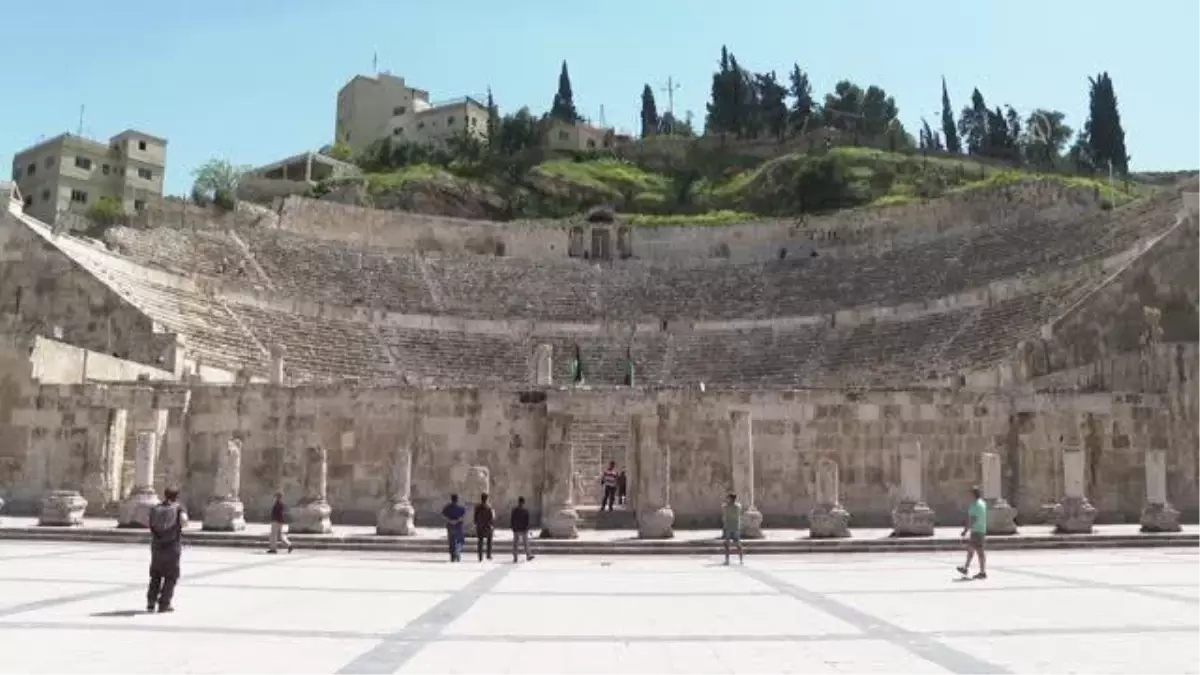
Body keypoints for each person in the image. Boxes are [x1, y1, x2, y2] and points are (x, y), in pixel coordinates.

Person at [147, 488, 188, 613]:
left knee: (155, 575)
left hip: (157, 546)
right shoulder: (179, 508)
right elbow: (184, 522)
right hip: (172, 546)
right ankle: (164, 603)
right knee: (171, 576)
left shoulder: (155, 508)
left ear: (165, 495)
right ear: (177, 496)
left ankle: (151, 602)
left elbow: (149, 523)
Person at [957, 486, 988, 580]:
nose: (968, 496)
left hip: (976, 531)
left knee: (980, 552)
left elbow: (973, 519)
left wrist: (965, 530)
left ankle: (982, 572)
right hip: (981, 529)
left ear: (973, 495)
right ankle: (965, 568)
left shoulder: (974, 505)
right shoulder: (983, 503)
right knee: (971, 550)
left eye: (969, 494)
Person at [442, 494, 467, 562]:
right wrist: (457, 521)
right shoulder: (461, 508)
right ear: (457, 500)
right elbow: (463, 517)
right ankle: (457, 554)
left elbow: (443, 516)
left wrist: (450, 521)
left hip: (450, 525)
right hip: (458, 526)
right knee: (458, 541)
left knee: (451, 541)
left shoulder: (447, 508)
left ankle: (453, 555)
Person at [722, 493, 745, 565]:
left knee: (736, 544)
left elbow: (725, 517)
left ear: (731, 499)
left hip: (733, 528)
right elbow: (725, 517)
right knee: (728, 545)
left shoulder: (729, 507)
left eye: (728, 498)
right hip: (732, 527)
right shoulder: (737, 506)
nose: (727, 499)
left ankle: (738, 560)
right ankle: (729, 560)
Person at [510, 496, 534, 563]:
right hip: (523, 529)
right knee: (525, 543)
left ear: (518, 502)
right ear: (523, 502)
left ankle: (515, 557)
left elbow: (512, 520)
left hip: (517, 529)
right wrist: (527, 529)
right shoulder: (525, 511)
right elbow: (527, 521)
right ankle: (528, 556)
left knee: (515, 544)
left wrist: (512, 527)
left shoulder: (514, 510)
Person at [474, 493, 495, 561]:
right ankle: (488, 555)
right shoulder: (489, 507)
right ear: (487, 499)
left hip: (480, 526)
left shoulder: (477, 507)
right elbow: (492, 517)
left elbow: (475, 518)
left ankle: (480, 557)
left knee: (480, 541)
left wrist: (477, 523)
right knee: (489, 540)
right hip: (487, 526)